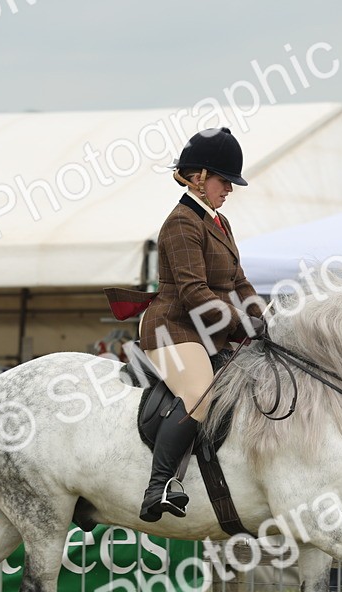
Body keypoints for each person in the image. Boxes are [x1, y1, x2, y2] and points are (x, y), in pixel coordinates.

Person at [105, 128, 265, 522]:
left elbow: (238, 282)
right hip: (173, 329)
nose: (228, 189)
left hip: (208, 329)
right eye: (223, 180)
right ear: (198, 177)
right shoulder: (181, 224)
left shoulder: (220, 221)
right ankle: (157, 487)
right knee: (198, 393)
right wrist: (240, 322)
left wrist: (263, 316)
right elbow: (194, 293)